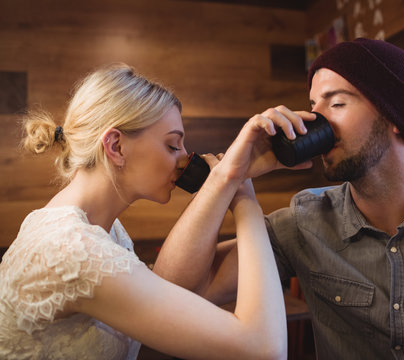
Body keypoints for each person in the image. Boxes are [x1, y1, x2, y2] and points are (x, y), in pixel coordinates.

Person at [154, 38, 404, 359]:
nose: (312, 120)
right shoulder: (305, 222)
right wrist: (228, 176)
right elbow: (176, 289)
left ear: (393, 116)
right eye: (313, 105)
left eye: (336, 103)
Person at [0, 63, 311, 359]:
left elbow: (168, 290)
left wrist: (225, 181)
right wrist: (241, 192)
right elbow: (265, 348)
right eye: (172, 145)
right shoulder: (71, 249)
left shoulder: (104, 230)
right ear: (116, 147)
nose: (183, 158)